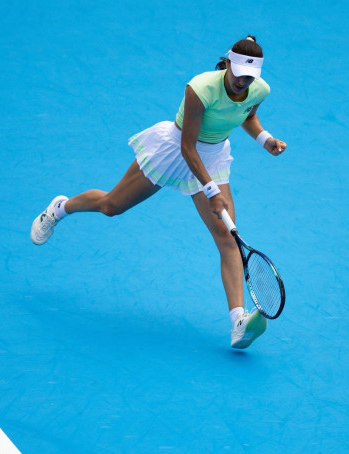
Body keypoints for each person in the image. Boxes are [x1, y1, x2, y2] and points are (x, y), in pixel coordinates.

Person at [30, 35, 287, 349]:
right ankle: (60, 208)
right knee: (112, 206)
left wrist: (265, 139)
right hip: (175, 150)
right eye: (239, 74)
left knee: (227, 237)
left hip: (215, 156)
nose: (243, 82)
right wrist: (210, 191)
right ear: (228, 65)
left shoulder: (259, 89)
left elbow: (248, 116)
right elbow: (188, 147)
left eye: (250, 77)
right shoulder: (200, 88)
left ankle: (238, 323)